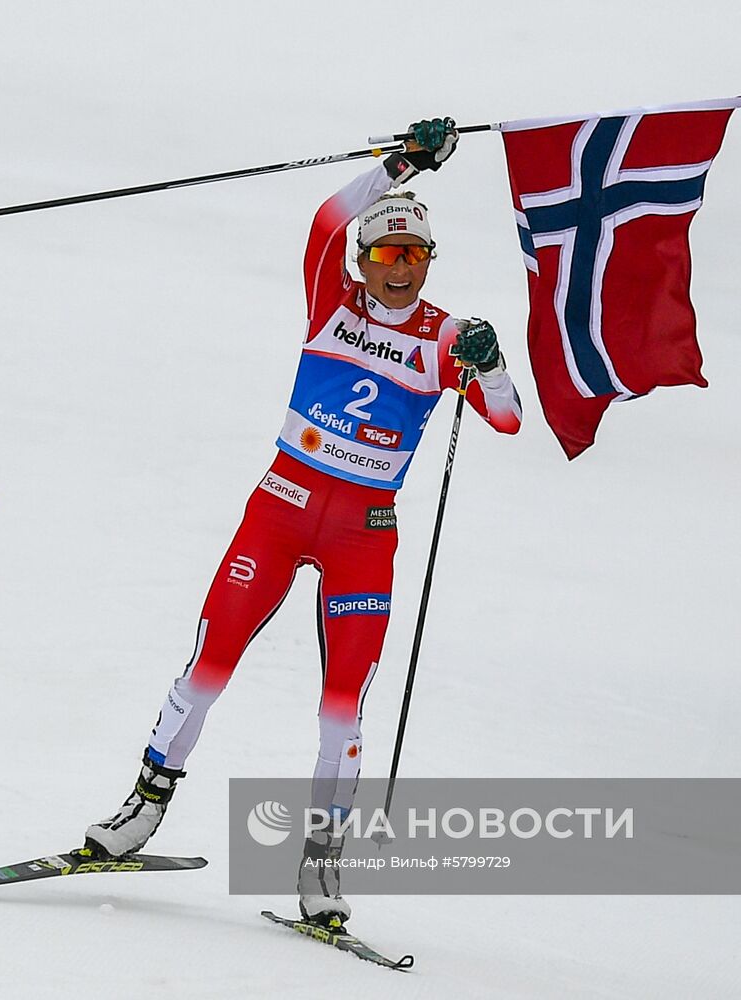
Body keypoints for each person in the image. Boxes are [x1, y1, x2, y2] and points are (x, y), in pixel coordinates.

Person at [84, 118, 522, 927]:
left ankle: (322, 864)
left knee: (341, 704)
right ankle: (143, 808)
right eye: (387, 254)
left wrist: (490, 361)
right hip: (281, 510)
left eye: (415, 257)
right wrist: (394, 169)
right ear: (364, 261)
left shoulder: (444, 337)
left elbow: (506, 419)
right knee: (209, 664)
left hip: (363, 532)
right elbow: (326, 220)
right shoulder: (332, 301)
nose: (400, 271)